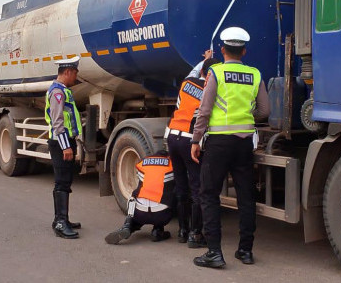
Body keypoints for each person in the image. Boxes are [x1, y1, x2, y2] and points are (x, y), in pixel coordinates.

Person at [190, 27, 269, 268]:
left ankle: (214, 252)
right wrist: (246, 117)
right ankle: (245, 251)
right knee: (246, 197)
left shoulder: (216, 72)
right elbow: (264, 111)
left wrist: (195, 139)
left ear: (223, 50)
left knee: (209, 194)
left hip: (218, 143)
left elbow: (204, 110)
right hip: (244, 143)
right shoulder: (255, 74)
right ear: (244, 51)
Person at [166, 56, 219, 247]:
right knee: (197, 187)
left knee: (181, 186)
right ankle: (195, 234)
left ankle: (182, 231)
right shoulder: (209, 89)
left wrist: (204, 60)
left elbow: (196, 72)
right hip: (190, 140)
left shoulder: (187, 82)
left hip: (173, 137)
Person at [44, 56, 83, 239]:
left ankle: (62, 219)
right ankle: (60, 222)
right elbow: (57, 122)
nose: (76, 76)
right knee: (62, 181)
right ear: (67, 72)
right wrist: (66, 147)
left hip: (65, 141)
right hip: (61, 142)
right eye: (75, 72)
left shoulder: (62, 90)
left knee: (65, 180)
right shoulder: (57, 92)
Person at [105, 150, 175, 245]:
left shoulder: (143, 163)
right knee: (171, 195)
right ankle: (157, 230)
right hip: (162, 215)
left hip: (140, 214)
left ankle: (128, 225)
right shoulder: (172, 164)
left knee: (135, 196)